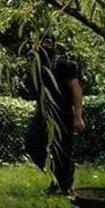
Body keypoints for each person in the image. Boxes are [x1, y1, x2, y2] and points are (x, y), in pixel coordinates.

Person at [24, 32, 85, 196]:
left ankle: (65, 187)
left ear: (54, 45)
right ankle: (55, 177)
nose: (45, 46)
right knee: (32, 142)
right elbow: (42, 93)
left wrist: (78, 116)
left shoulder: (64, 64)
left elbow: (76, 88)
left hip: (63, 113)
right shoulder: (39, 67)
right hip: (44, 113)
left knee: (63, 150)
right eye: (42, 43)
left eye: (48, 43)